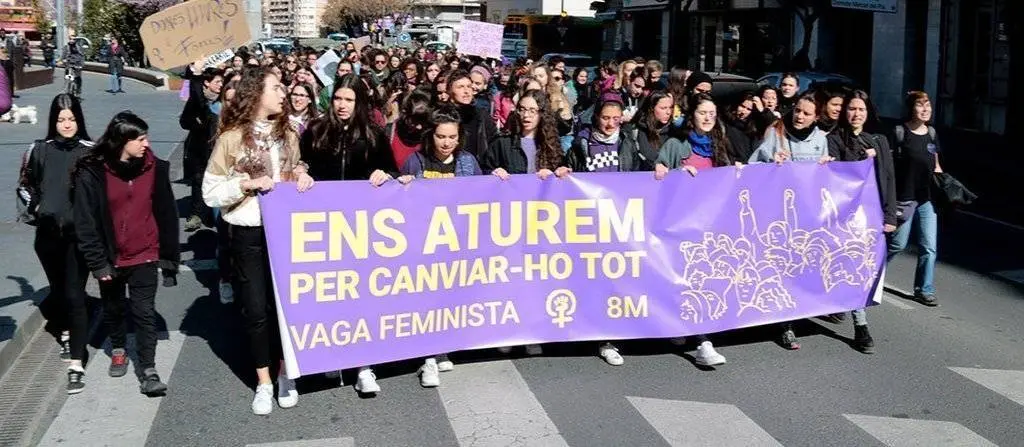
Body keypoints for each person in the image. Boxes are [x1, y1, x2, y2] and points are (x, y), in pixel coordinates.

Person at [203, 67, 315, 415]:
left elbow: (296, 169)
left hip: (286, 233)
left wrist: (302, 175)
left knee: (283, 306)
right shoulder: (231, 139)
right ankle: (263, 381)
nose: (284, 94)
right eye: (277, 88)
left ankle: (285, 374)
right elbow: (210, 193)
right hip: (248, 234)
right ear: (256, 94)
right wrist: (245, 185)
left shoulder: (290, 136)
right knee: (254, 309)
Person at [299, 73, 397, 394]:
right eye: (338, 98)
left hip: (361, 231)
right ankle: (330, 356)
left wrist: (387, 174)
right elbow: (300, 166)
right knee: (328, 297)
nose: (342, 105)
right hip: (322, 229)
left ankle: (364, 365)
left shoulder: (374, 136)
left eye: (349, 100)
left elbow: (394, 172)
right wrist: (301, 172)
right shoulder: (314, 130)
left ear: (360, 103)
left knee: (361, 299)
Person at [72, 111, 180, 396]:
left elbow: (167, 212)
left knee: (144, 313)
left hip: (145, 252)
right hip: (111, 257)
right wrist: (98, 264)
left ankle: (148, 369)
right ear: (122, 141)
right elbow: (85, 222)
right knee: (115, 307)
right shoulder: (93, 172)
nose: (147, 144)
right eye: (140, 139)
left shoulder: (155, 167)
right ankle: (118, 346)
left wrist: (169, 259)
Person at [18, 94, 92, 393]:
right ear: (53, 121)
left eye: (71, 119)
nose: (66, 125)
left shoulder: (91, 152)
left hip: (79, 239)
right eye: (61, 119)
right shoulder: (38, 150)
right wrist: (38, 208)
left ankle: (76, 361)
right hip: (47, 237)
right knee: (60, 290)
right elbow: (25, 185)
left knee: (75, 295)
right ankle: (64, 330)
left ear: (79, 119)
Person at [748, 92, 831, 350]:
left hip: (807, 215)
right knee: (783, 269)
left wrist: (827, 167)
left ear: (816, 117)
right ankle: (786, 326)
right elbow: (753, 165)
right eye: (797, 111)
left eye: (806, 113)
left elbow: (824, 179)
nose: (800, 116)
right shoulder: (778, 132)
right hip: (780, 215)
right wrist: (770, 162)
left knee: (801, 270)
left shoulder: (820, 140)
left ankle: (797, 313)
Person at [826, 89, 897, 353]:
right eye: (852, 109)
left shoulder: (878, 140)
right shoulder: (834, 139)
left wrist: (890, 215)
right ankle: (851, 315)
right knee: (846, 267)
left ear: (868, 113)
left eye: (861, 110)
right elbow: (837, 176)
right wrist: (860, 160)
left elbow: (888, 178)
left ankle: (861, 326)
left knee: (860, 271)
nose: (856, 114)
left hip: (870, 217)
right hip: (842, 217)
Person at [887, 91, 943, 307]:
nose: (926, 109)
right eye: (921, 105)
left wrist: (943, 183)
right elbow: (889, 167)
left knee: (929, 247)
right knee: (897, 245)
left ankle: (924, 289)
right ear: (912, 109)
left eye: (927, 105)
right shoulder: (900, 132)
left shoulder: (931, 133)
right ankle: (871, 274)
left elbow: (936, 163)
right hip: (904, 198)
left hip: (926, 199)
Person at [180, 63, 224, 232]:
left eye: (222, 82)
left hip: (219, 148)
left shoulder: (222, 101)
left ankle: (213, 213)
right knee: (199, 180)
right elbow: (184, 122)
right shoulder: (198, 99)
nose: (221, 85)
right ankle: (196, 214)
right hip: (201, 148)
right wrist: (197, 124)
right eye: (218, 81)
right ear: (207, 83)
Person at [448, 70, 497, 158]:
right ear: (450, 91)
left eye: (469, 86)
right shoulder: (443, 115)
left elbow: (494, 142)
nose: (466, 91)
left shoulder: (482, 115)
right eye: (460, 87)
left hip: (476, 167)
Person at [387, 87, 431, 169]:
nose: (419, 127)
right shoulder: (389, 133)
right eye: (415, 121)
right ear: (405, 114)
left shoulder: (430, 134)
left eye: (423, 121)